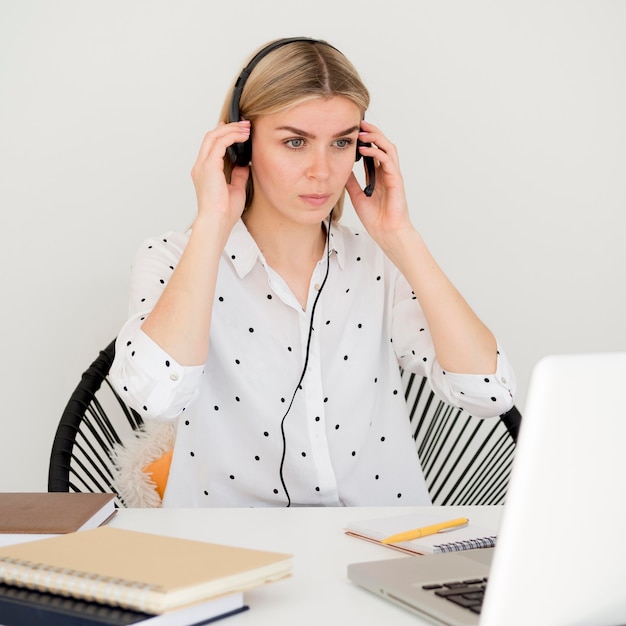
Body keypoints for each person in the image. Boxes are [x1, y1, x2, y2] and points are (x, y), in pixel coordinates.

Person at [109, 37, 516, 508]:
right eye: (295, 142)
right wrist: (212, 224)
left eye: (341, 142)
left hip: (381, 545)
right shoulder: (172, 256)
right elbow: (155, 398)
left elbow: (491, 393)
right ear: (242, 147)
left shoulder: (381, 264)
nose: (322, 171)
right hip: (229, 553)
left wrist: (401, 236)